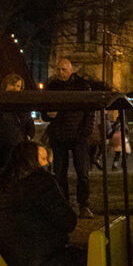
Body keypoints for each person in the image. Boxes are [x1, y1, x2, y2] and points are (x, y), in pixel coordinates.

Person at [0, 141, 86, 266]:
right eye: (43, 159)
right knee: (87, 262)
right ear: (32, 161)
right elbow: (68, 222)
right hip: (34, 262)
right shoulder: (40, 181)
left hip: (4, 258)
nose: (48, 163)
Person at [45, 58, 94, 218]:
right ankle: (64, 205)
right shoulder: (52, 87)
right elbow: (43, 109)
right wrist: (48, 115)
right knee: (59, 173)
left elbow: (89, 110)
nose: (60, 73)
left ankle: (83, 204)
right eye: (58, 69)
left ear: (71, 70)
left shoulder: (82, 86)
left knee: (82, 172)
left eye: (63, 69)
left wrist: (85, 131)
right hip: (59, 135)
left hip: (78, 135)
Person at [1, 72, 36, 140]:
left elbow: (30, 124)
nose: (15, 88)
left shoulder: (23, 106)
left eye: (18, 86)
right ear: (5, 86)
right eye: (12, 84)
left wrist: (27, 137)